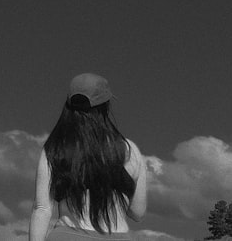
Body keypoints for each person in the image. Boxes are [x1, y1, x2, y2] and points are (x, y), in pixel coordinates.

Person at [29, 73, 147, 241]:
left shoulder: (55, 148)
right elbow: (137, 212)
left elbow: (41, 209)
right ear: (105, 105)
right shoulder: (129, 150)